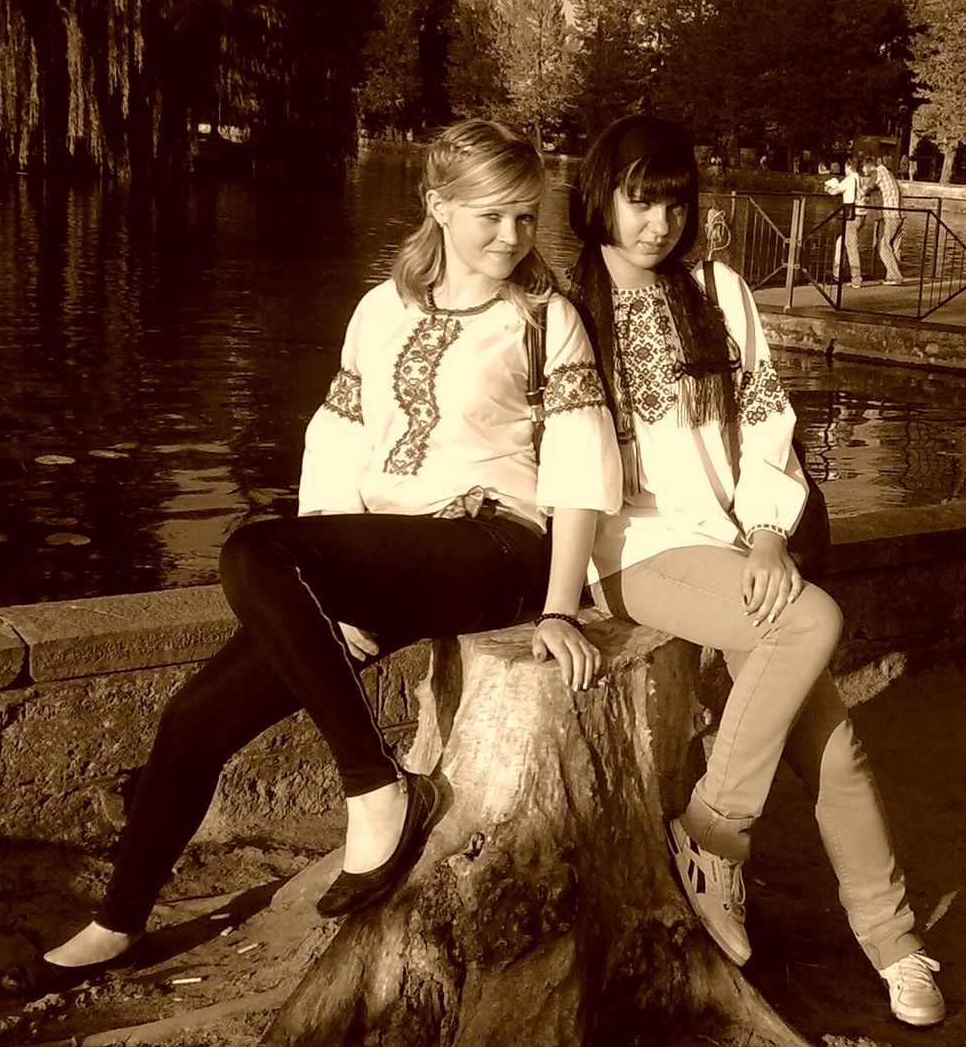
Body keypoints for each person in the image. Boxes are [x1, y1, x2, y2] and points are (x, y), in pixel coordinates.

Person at [39, 121, 621, 985]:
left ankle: (376, 788)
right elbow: (338, 444)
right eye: (492, 215)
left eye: (526, 217)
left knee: (254, 550)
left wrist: (562, 607)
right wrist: (329, 594)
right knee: (194, 718)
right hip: (392, 554)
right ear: (438, 206)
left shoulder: (544, 319)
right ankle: (116, 922)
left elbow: (579, 469)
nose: (512, 236)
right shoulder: (380, 310)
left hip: (496, 545)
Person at [567, 114, 945, 1028]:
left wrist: (770, 533)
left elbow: (769, 420)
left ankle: (893, 943)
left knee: (834, 745)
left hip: (737, 545)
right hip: (632, 552)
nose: (658, 222)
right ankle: (714, 834)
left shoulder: (717, 290)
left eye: (674, 203)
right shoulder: (562, 308)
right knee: (811, 622)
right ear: (601, 198)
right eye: (639, 200)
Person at [824, 157, 865, 287]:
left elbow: (834, 191)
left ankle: (856, 279)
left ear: (848, 167)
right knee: (841, 243)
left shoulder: (850, 179)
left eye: (845, 168)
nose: (844, 171)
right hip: (862, 215)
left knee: (851, 247)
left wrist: (828, 188)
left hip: (851, 216)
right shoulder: (860, 179)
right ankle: (838, 274)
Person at [867, 157, 906, 284]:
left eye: (864, 168)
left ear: (868, 166)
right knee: (894, 246)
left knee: (883, 246)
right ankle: (891, 276)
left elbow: (867, 189)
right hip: (901, 213)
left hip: (891, 213)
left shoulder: (877, 173)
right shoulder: (889, 173)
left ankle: (895, 277)